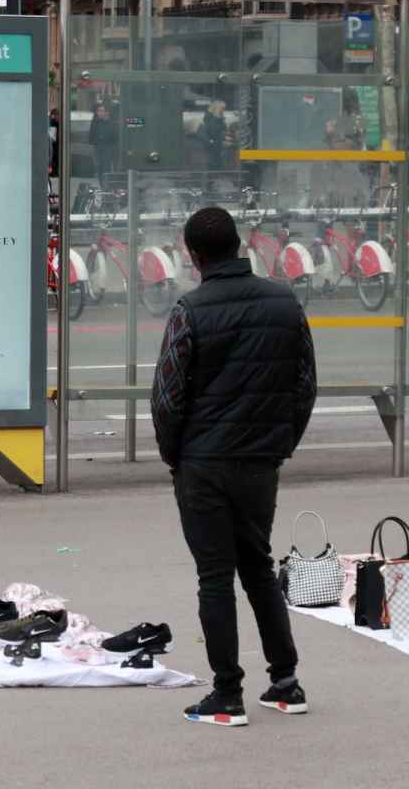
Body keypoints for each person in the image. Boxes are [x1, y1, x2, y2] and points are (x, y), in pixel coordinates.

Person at [151, 206, 316, 727]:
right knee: (259, 569)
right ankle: (286, 683)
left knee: (215, 578)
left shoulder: (190, 310)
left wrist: (174, 454)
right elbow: (305, 384)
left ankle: (227, 694)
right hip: (260, 462)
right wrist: (281, 442)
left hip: (204, 463)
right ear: (239, 244)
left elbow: (167, 396)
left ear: (193, 254)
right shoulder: (284, 302)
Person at [89, 101, 119, 177]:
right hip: (98, 147)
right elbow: (91, 134)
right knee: (99, 166)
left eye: (102, 111)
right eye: (98, 111)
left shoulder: (111, 123)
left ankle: (105, 183)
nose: (100, 113)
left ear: (106, 112)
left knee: (106, 166)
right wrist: (95, 141)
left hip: (107, 147)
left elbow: (114, 136)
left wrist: (106, 139)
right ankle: (102, 182)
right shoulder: (95, 122)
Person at [199, 100, 230, 171]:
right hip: (214, 152)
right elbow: (214, 134)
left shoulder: (216, 120)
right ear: (217, 109)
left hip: (216, 151)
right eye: (222, 109)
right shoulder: (213, 121)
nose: (223, 111)